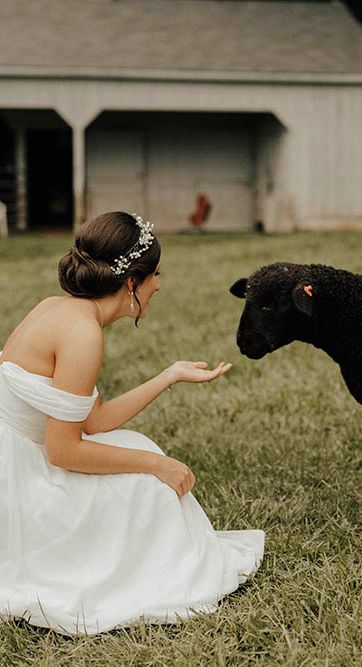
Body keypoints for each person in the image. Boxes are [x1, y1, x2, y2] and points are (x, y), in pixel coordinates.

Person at [0, 211, 264, 635]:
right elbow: (64, 451)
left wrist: (169, 375)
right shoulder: (83, 334)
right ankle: (163, 574)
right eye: (155, 274)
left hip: (17, 457)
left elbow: (96, 420)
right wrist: (160, 466)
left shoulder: (60, 309)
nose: (158, 284)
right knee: (149, 480)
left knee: (138, 446)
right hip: (24, 485)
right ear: (131, 282)